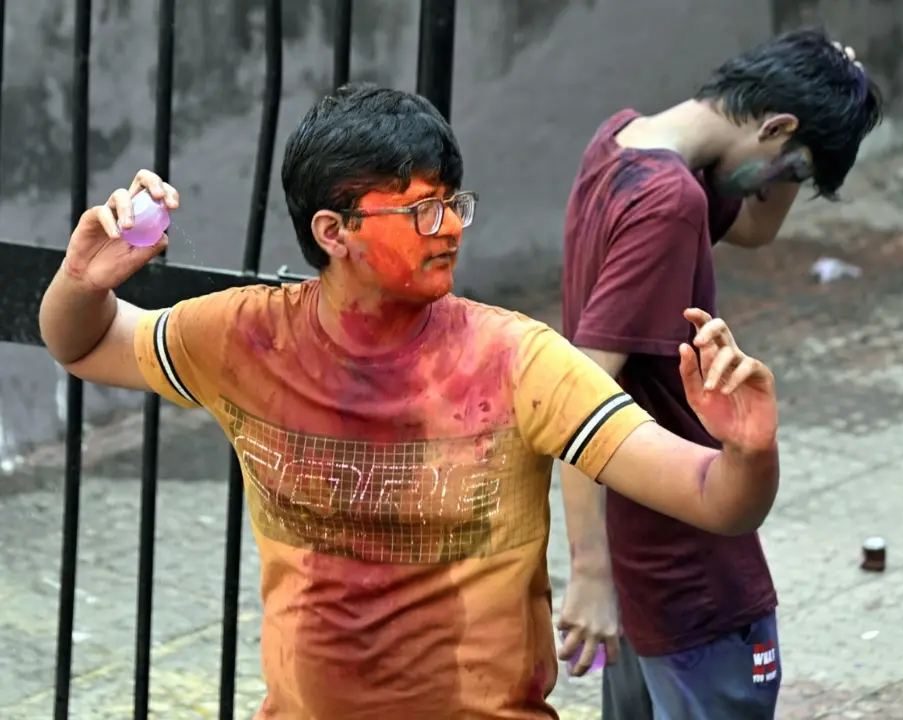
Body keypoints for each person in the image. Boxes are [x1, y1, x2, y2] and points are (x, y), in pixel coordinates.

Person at [38, 83, 785, 720]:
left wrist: (747, 449)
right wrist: (83, 278)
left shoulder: (515, 359)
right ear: (334, 231)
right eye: (422, 211)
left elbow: (720, 502)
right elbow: (82, 343)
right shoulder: (243, 339)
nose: (453, 227)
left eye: (455, 203)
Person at [554, 29, 882, 720]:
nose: (780, 190)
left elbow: (756, 228)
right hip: (688, 571)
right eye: (790, 171)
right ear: (775, 125)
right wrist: (587, 574)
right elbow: (580, 391)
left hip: (641, 554)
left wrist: (826, 99)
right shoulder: (672, 204)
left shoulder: (619, 141)